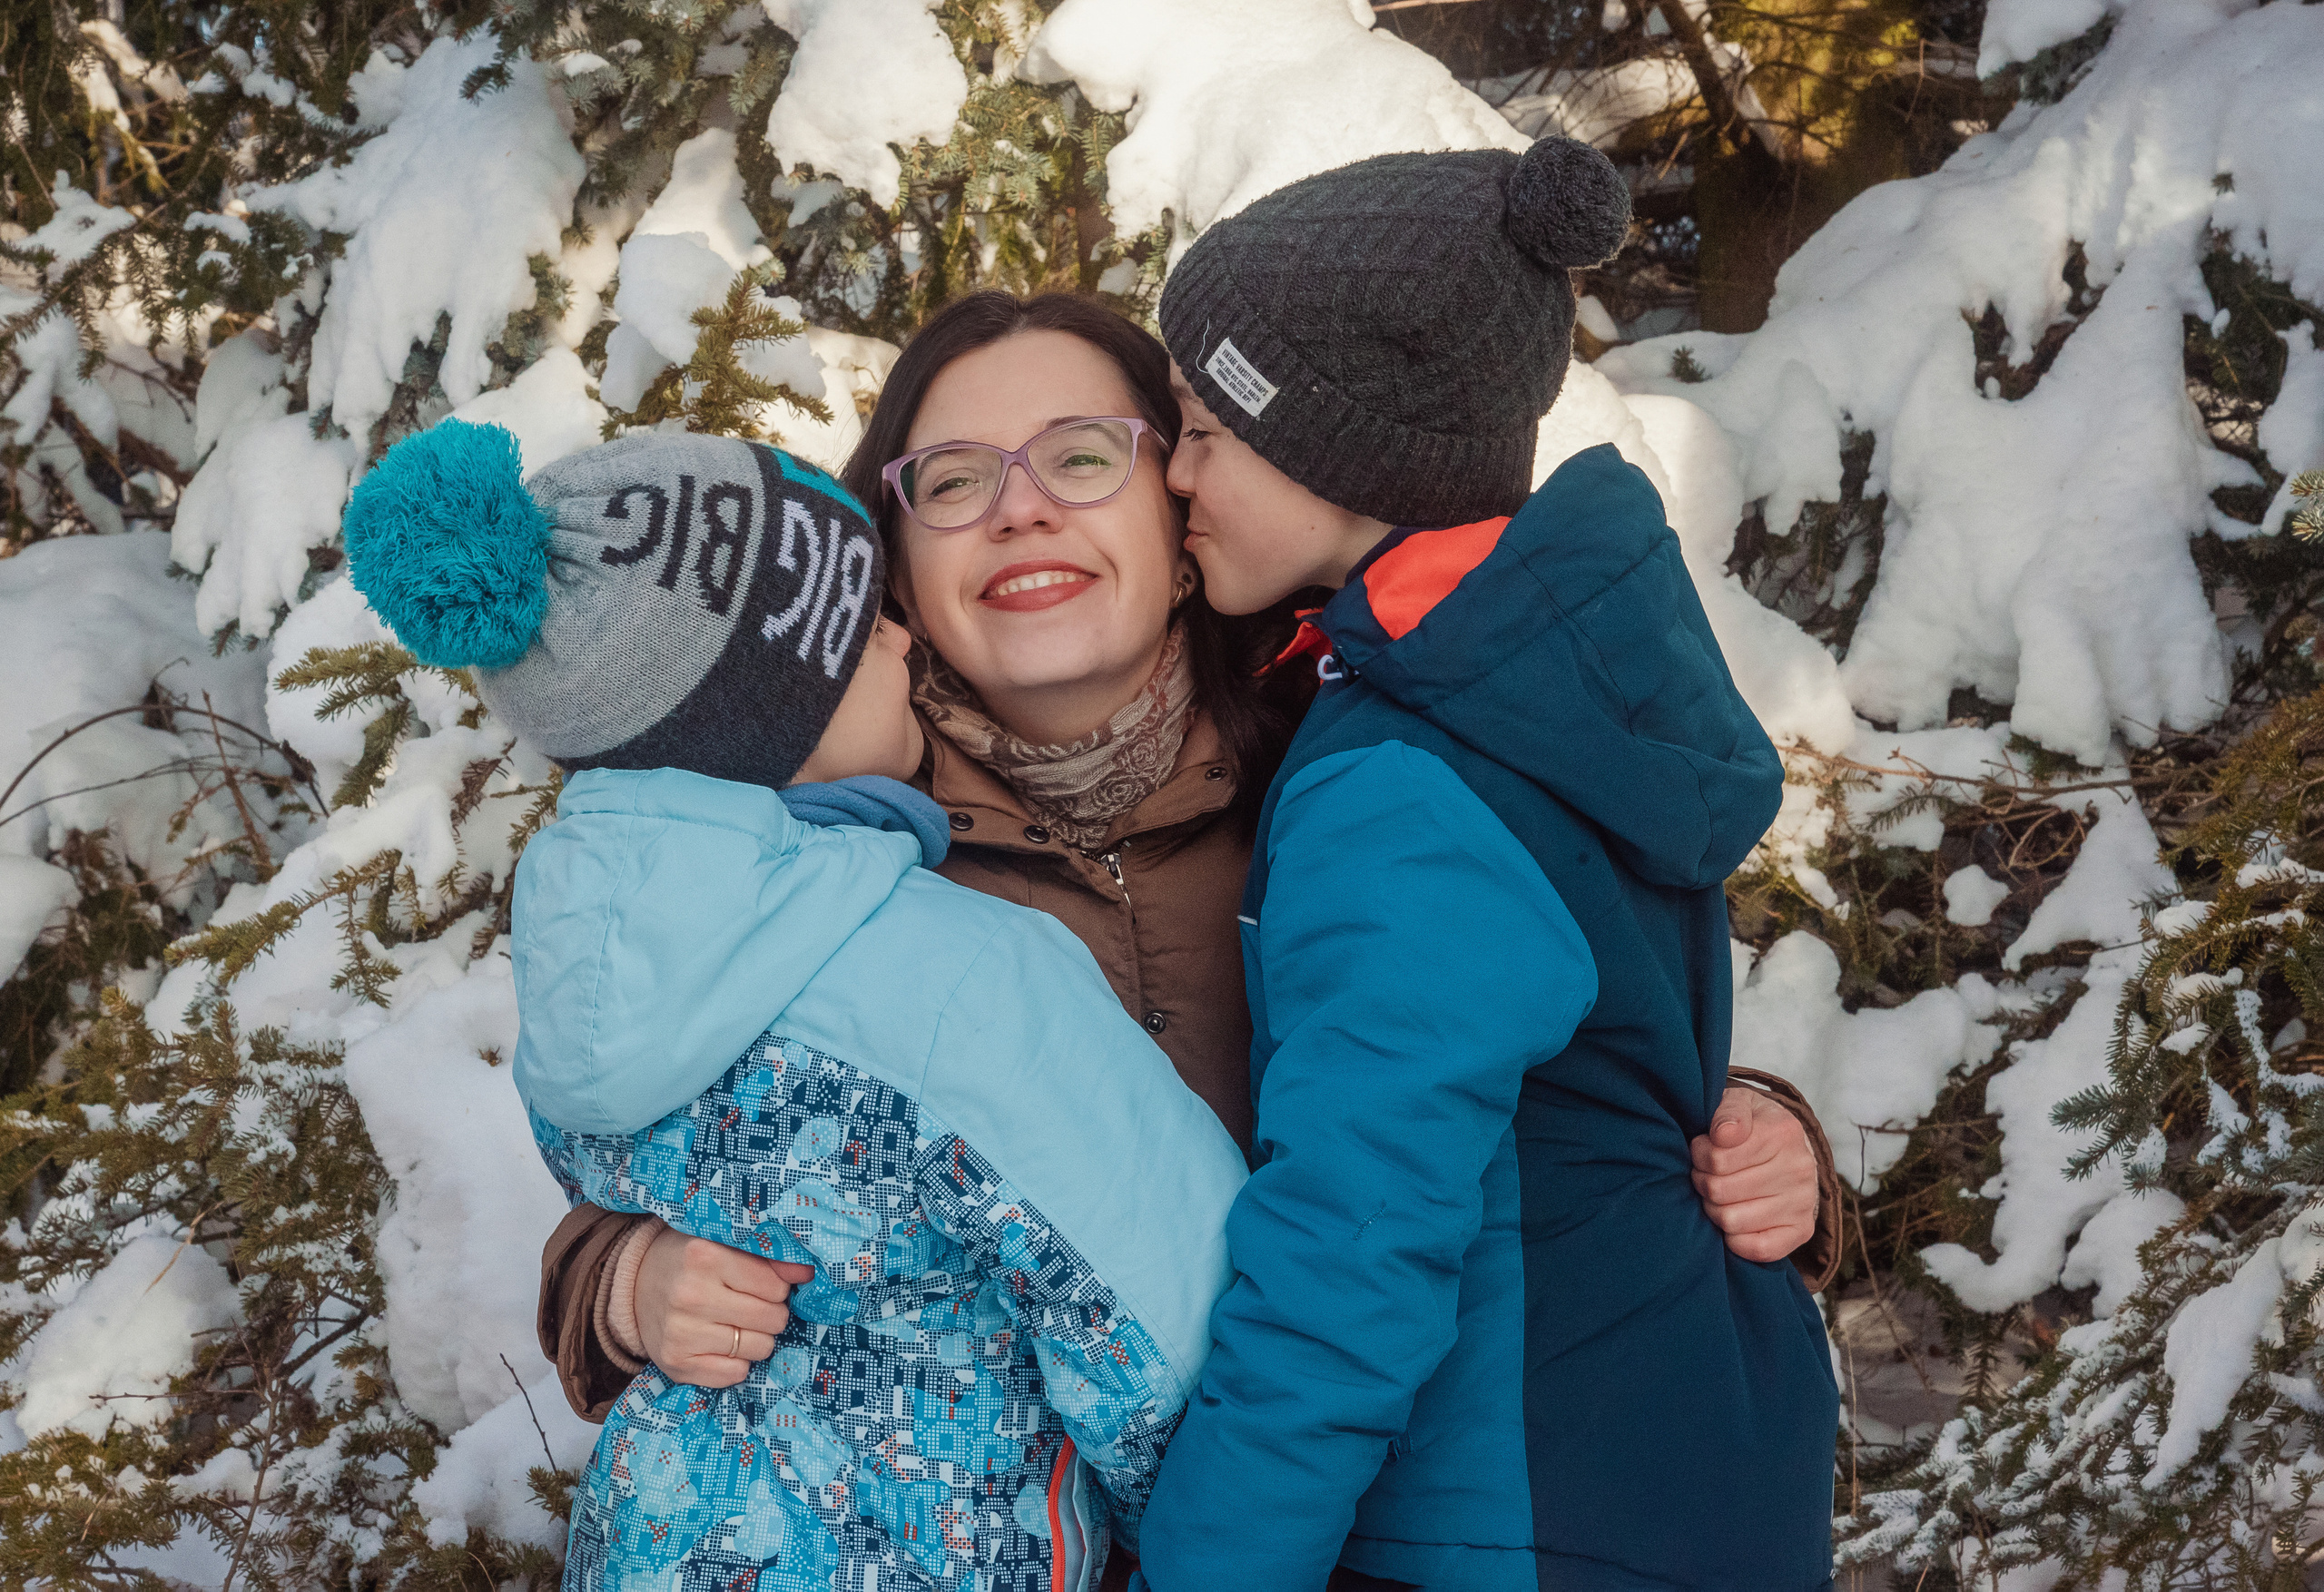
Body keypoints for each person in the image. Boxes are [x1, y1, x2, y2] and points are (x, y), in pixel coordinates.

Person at [537, 293, 1843, 1440]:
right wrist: (624, 1283)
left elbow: (1581, 1063)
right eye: (952, 480)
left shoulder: (1366, 785)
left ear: (1185, 524)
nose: (1022, 507)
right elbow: (635, 1114)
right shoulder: (820, 864)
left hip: (1393, 1510)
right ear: (899, 564)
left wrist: (1758, 1138)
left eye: (1083, 456)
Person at [340, 421, 1248, 1590]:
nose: (903, 637)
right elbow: (1160, 1325)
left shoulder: (590, 961)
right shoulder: (963, 976)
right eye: (866, 623)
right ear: (777, 708)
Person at [1128, 137, 1844, 1592]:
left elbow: (1352, 1253)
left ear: (1327, 443)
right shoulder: (1541, 676)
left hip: (1521, 1506)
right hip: (1677, 1459)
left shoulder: (1406, 777)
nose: (1177, 474)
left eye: (1204, 427)